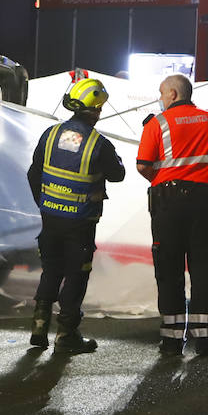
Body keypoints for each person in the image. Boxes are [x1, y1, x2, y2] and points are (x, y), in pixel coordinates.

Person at [135, 74, 208, 357]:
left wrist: (162, 181)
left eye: (162, 93)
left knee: (169, 271)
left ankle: (172, 341)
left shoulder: (158, 123)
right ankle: (206, 341)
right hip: (206, 203)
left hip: (168, 205)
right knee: (204, 270)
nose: (160, 98)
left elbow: (143, 165)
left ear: (173, 94)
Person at [26, 76, 125, 353]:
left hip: (50, 218)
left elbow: (33, 173)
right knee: (75, 274)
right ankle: (66, 334)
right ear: (96, 109)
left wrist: (44, 204)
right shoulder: (98, 144)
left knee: (51, 269)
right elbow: (118, 174)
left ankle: (39, 325)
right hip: (80, 223)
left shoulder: (50, 134)